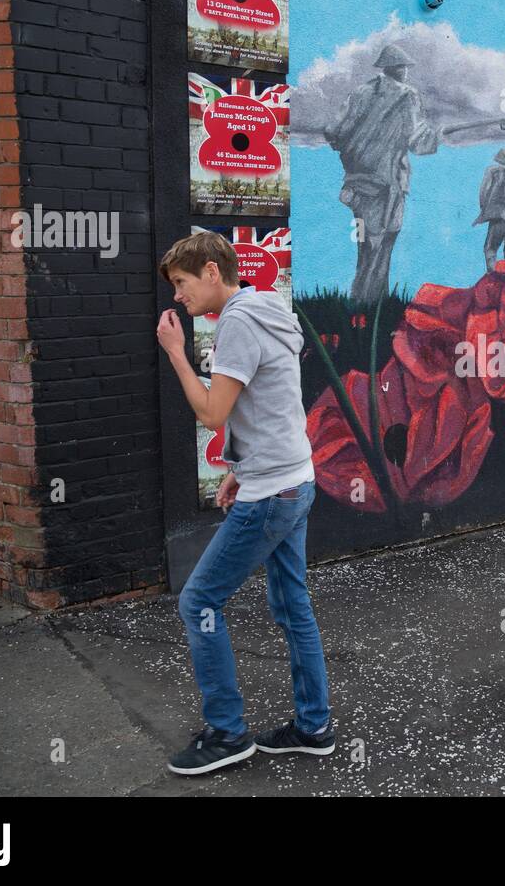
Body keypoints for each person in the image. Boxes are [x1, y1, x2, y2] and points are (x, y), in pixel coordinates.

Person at [155, 231, 334, 776]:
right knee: (291, 605)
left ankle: (229, 734)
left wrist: (178, 357)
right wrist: (239, 467)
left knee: (199, 602)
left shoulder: (235, 321)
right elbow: (269, 399)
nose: (179, 297)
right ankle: (313, 726)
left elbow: (212, 412)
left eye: (182, 284)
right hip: (295, 479)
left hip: (273, 494)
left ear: (212, 272)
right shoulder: (268, 307)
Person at [324, 44, 442, 302]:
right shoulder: (407, 96)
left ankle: (364, 305)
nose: (407, 72)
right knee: (382, 246)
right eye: (404, 67)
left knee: (366, 248)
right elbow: (418, 142)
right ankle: (370, 307)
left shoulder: (359, 92)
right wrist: (437, 136)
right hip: (388, 185)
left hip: (357, 186)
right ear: (397, 68)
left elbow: (333, 132)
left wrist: (358, 154)